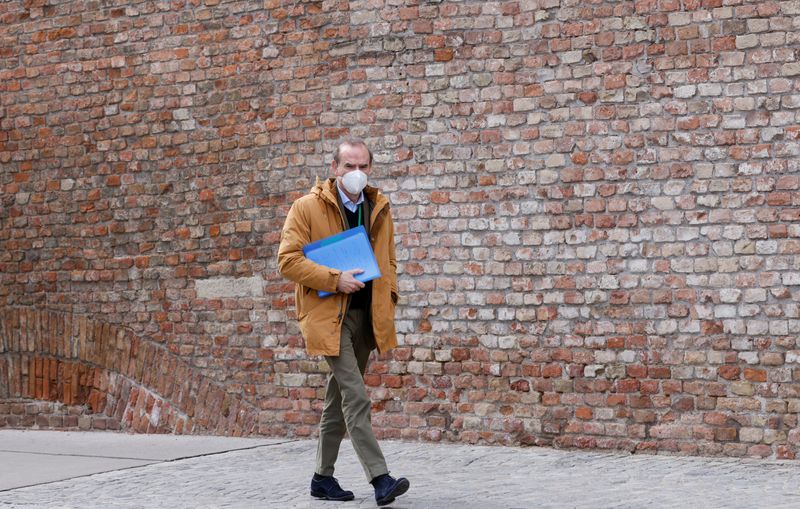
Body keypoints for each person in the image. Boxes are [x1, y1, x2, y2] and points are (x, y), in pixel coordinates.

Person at [277, 139, 410, 506]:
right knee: (355, 396)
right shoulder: (306, 208)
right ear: (334, 167)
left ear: (370, 168)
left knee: (337, 401)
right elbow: (287, 261)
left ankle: (322, 478)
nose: (356, 174)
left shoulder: (378, 206)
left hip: (366, 317)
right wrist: (335, 279)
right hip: (327, 318)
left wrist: (390, 295)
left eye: (363, 166)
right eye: (349, 166)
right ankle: (380, 478)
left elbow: (390, 260)